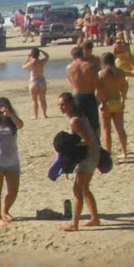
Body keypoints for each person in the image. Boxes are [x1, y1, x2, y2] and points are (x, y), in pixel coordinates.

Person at [57, 92, 99, 231]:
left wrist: (71, 146)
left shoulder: (75, 120)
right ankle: (95, 218)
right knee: (85, 188)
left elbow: (87, 140)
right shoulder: (80, 115)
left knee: (77, 190)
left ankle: (74, 224)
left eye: (63, 105)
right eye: (59, 105)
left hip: (88, 156)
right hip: (93, 154)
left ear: (71, 104)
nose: (61, 108)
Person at [97, 51, 131, 160]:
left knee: (106, 130)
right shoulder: (121, 73)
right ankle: (124, 152)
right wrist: (124, 100)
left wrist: (101, 103)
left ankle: (108, 153)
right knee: (120, 128)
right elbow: (124, 88)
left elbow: (99, 91)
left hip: (106, 103)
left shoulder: (101, 74)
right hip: (117, 102)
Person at [66, 44, 100, 139]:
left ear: (73, 56)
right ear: (82, 54)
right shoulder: (92, 66)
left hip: (76, 96)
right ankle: (95, 144)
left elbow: (71, 81)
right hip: (89, 95)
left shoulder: (69, 67)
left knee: (76, 122)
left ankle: (78, 142)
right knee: (93, 124)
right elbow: (96, 83)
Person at [22, 47, 50, 118]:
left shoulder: (32, 62)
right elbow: (47, 56)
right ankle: (44, 114)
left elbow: (23, 67)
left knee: (34, 100)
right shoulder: (42, 62)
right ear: (38, 54)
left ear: (32, 54)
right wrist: (41, 51)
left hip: (34, 81)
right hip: (42, 81)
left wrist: (28, 58)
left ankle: (35, 115)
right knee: (43, 99)